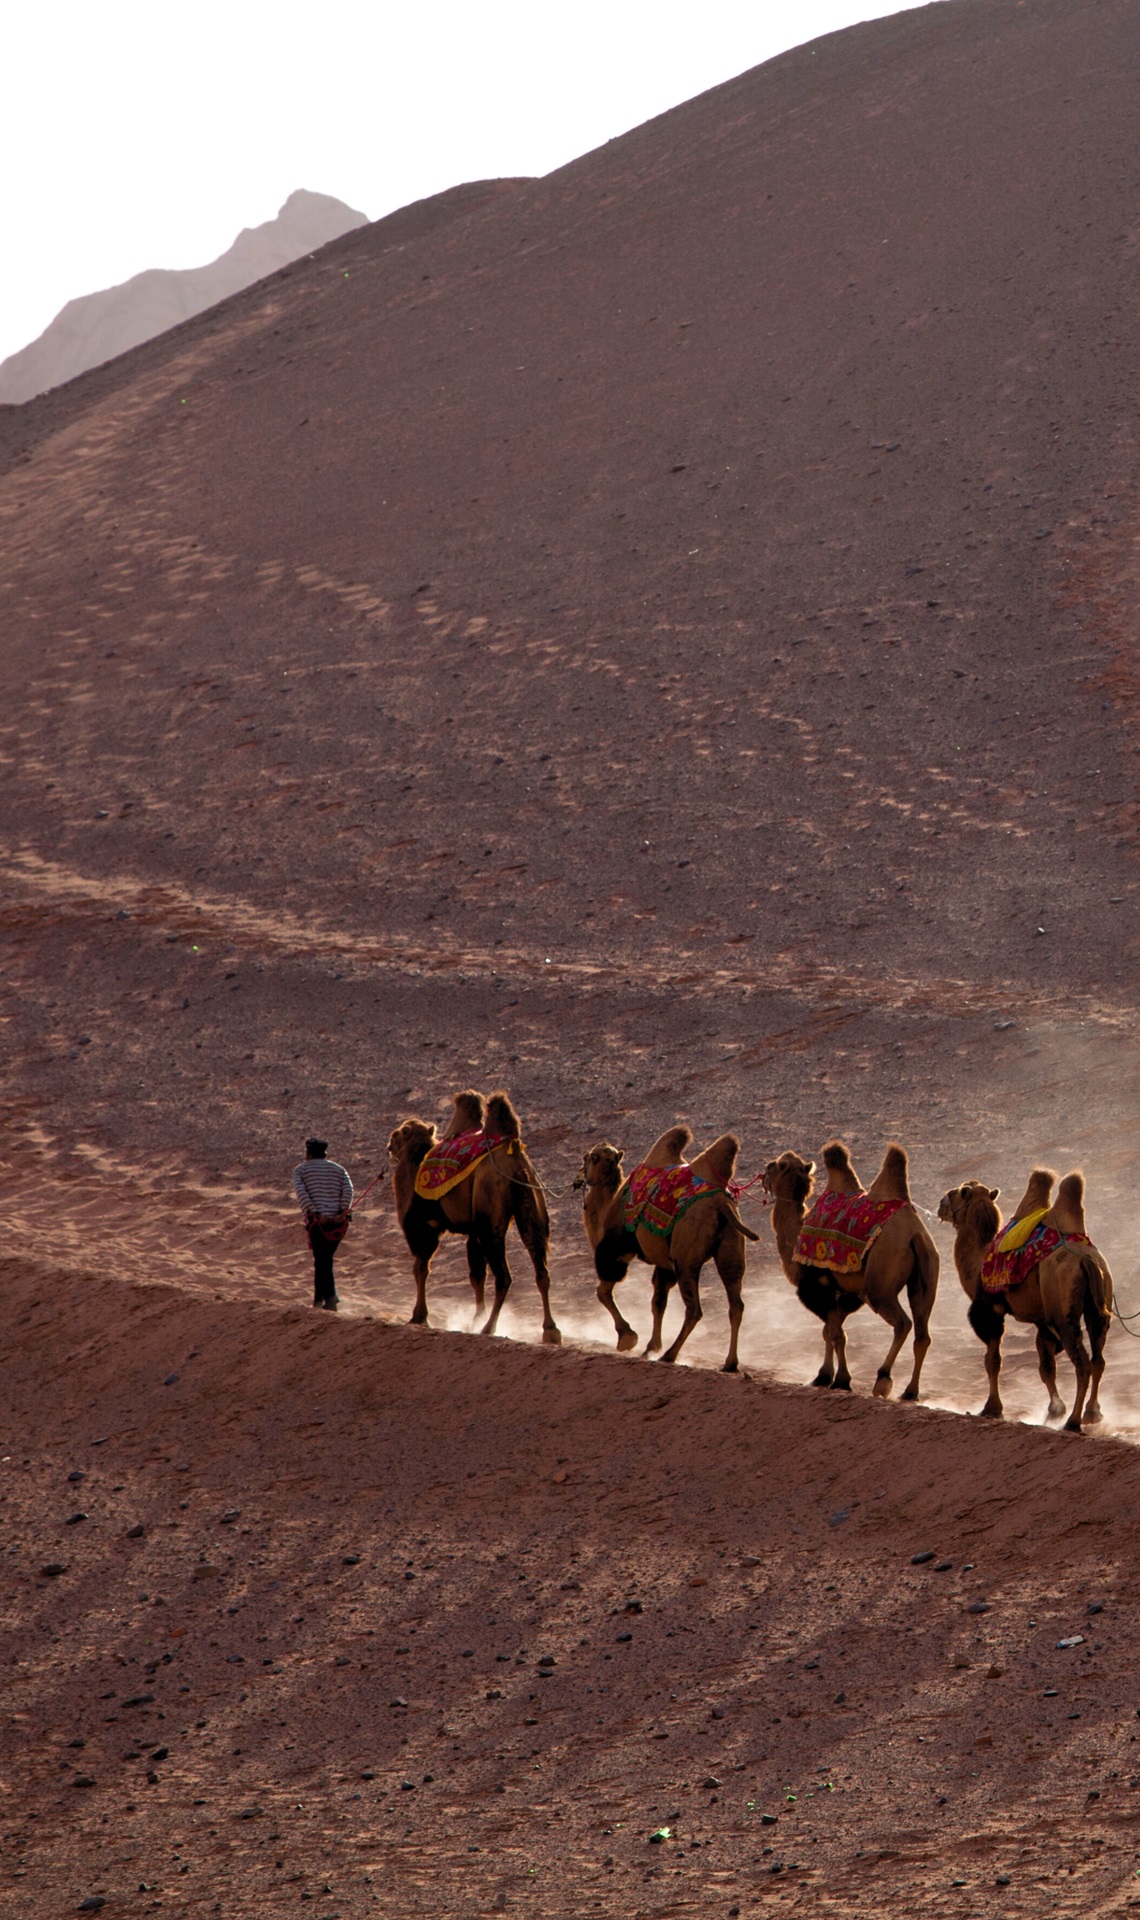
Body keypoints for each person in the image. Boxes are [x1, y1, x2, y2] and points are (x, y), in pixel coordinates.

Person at [292, 1136, 353, 1310]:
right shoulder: (339, 1169)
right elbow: (348, 1190)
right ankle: (321, 1299)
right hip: (338, 1223)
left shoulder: (300, 1171)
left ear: (307, 1153)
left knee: (322, 1261)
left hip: (318, 1223)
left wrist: (316, 1213)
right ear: (325, 1153)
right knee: (324, 1260)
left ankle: (329, 1300)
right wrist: (342, 1211)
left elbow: (302, 1194)